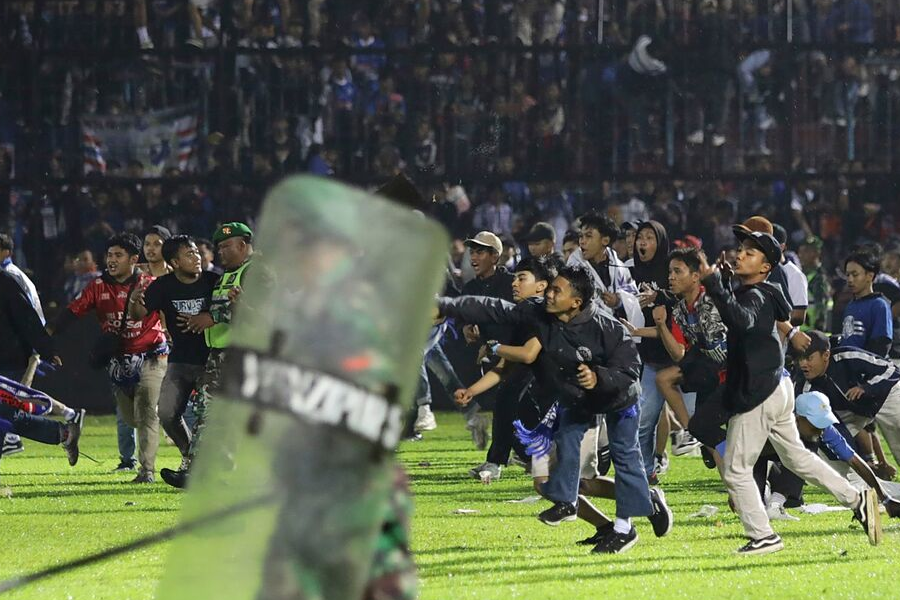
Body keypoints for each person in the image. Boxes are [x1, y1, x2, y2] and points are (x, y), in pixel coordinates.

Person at [437, 266, 668, 554]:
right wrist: (445, 305)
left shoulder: (606, 327)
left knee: (621, 460)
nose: (548, 294)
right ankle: (572, 505)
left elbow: (630, 370)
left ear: (576, 302)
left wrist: (599, 377)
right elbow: (492, 308)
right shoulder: (538, 313)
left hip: (617, 399)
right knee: (559, 459)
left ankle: (624, 527)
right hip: (575, 400)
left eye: (556, 290)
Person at [698, 227, 879, 555]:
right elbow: (744, 316)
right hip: (777, 386)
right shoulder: (763, 291)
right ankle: (857, 500)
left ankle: (763, 536)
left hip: (759, 391)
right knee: (797, 458)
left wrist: (714, 284)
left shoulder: (755, 295)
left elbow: (741, 321)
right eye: (741, 249)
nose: (740, 254)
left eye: (750, 252)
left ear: (766, 266)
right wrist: (723, 283)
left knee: (736, 469)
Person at [54, 233, 168, 484]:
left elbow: (165, 313)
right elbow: (73, 311)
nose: (111, 260)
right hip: (119, 361)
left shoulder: (149, 284)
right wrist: (47, 337)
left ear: (133, 259)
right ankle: (161, 414)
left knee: (146, 411)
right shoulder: (97, 286)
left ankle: (146, 471)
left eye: (118, 255)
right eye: (109, 255)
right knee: (131, 418)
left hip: (152, 354)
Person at [160, 222, 261, 489]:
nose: (220, 252)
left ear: (242, 245)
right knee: (208, 411)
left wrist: (214, 317)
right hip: (220, 354)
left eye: (226, 246)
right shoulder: (227, 274)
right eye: (218, 247)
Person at [129, 235, 218, 473]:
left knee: (207, 416)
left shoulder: (213, 281)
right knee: (167, 414)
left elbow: (231, 311)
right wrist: (134, 300)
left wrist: (209, 318)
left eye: (196, 252)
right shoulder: (163, 286)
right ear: (175, 263)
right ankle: (190, 457)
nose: (197, 257)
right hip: (180, 361)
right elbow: (138, 314)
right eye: (189, 254)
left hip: (212, 361)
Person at [796, 330, 900, 478]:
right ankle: (856, 483)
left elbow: (891, 370)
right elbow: (832, 430)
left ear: (826, 355)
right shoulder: (805, 386)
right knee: (818, 431)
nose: (803, 364)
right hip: (849, 410)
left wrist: (867, 388)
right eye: (800, 358)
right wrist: (854, 458)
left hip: (884, 396)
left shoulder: (846, 356)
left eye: (809, 358)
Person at [0, 232, 46, 456]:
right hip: (14, 344)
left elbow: (30, 313)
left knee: (14, 395)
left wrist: (35, 346)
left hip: (19, 346)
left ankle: (64, 423)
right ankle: (12, 437)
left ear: (6, 252)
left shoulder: (12, 276)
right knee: (10, 395)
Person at [840, 250, 893, 357]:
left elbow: (882, 344)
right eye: (848, 275)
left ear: (870, 276)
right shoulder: (850, 305)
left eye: (855, 275)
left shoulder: (879, 305)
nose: (850, 279)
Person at [797, 236, 833, 331]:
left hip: (813, 333)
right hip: (801, 331)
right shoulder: (802, 275)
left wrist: (818, 332)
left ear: (816, 253)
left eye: (805, 251)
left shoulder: (819, 278)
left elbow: (822, 307)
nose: (800, 255)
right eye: (800, 251)